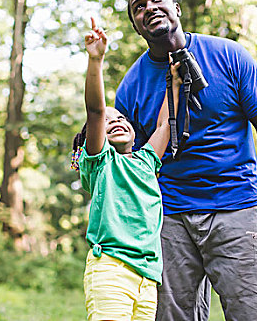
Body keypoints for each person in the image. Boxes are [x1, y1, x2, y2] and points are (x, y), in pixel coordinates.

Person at [115, 0, 257, 321]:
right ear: (136, 25)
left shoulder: (228, 55)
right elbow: (132, 162)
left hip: (239, 209)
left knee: (252, 315)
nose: (149, 8)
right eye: (138, 7)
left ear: (177, 9)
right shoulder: (131, 85)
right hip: (170, 217)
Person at [71, 17, 181, 321]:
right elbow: (95, 109)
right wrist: (96, 60)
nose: (115, 121)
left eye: (120, 118)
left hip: (148, 277)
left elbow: (163, 124)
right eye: (107, 122)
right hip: (110, 268)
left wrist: (174, 82)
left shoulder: (146, 161)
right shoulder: (101, 163)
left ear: (133, 129)